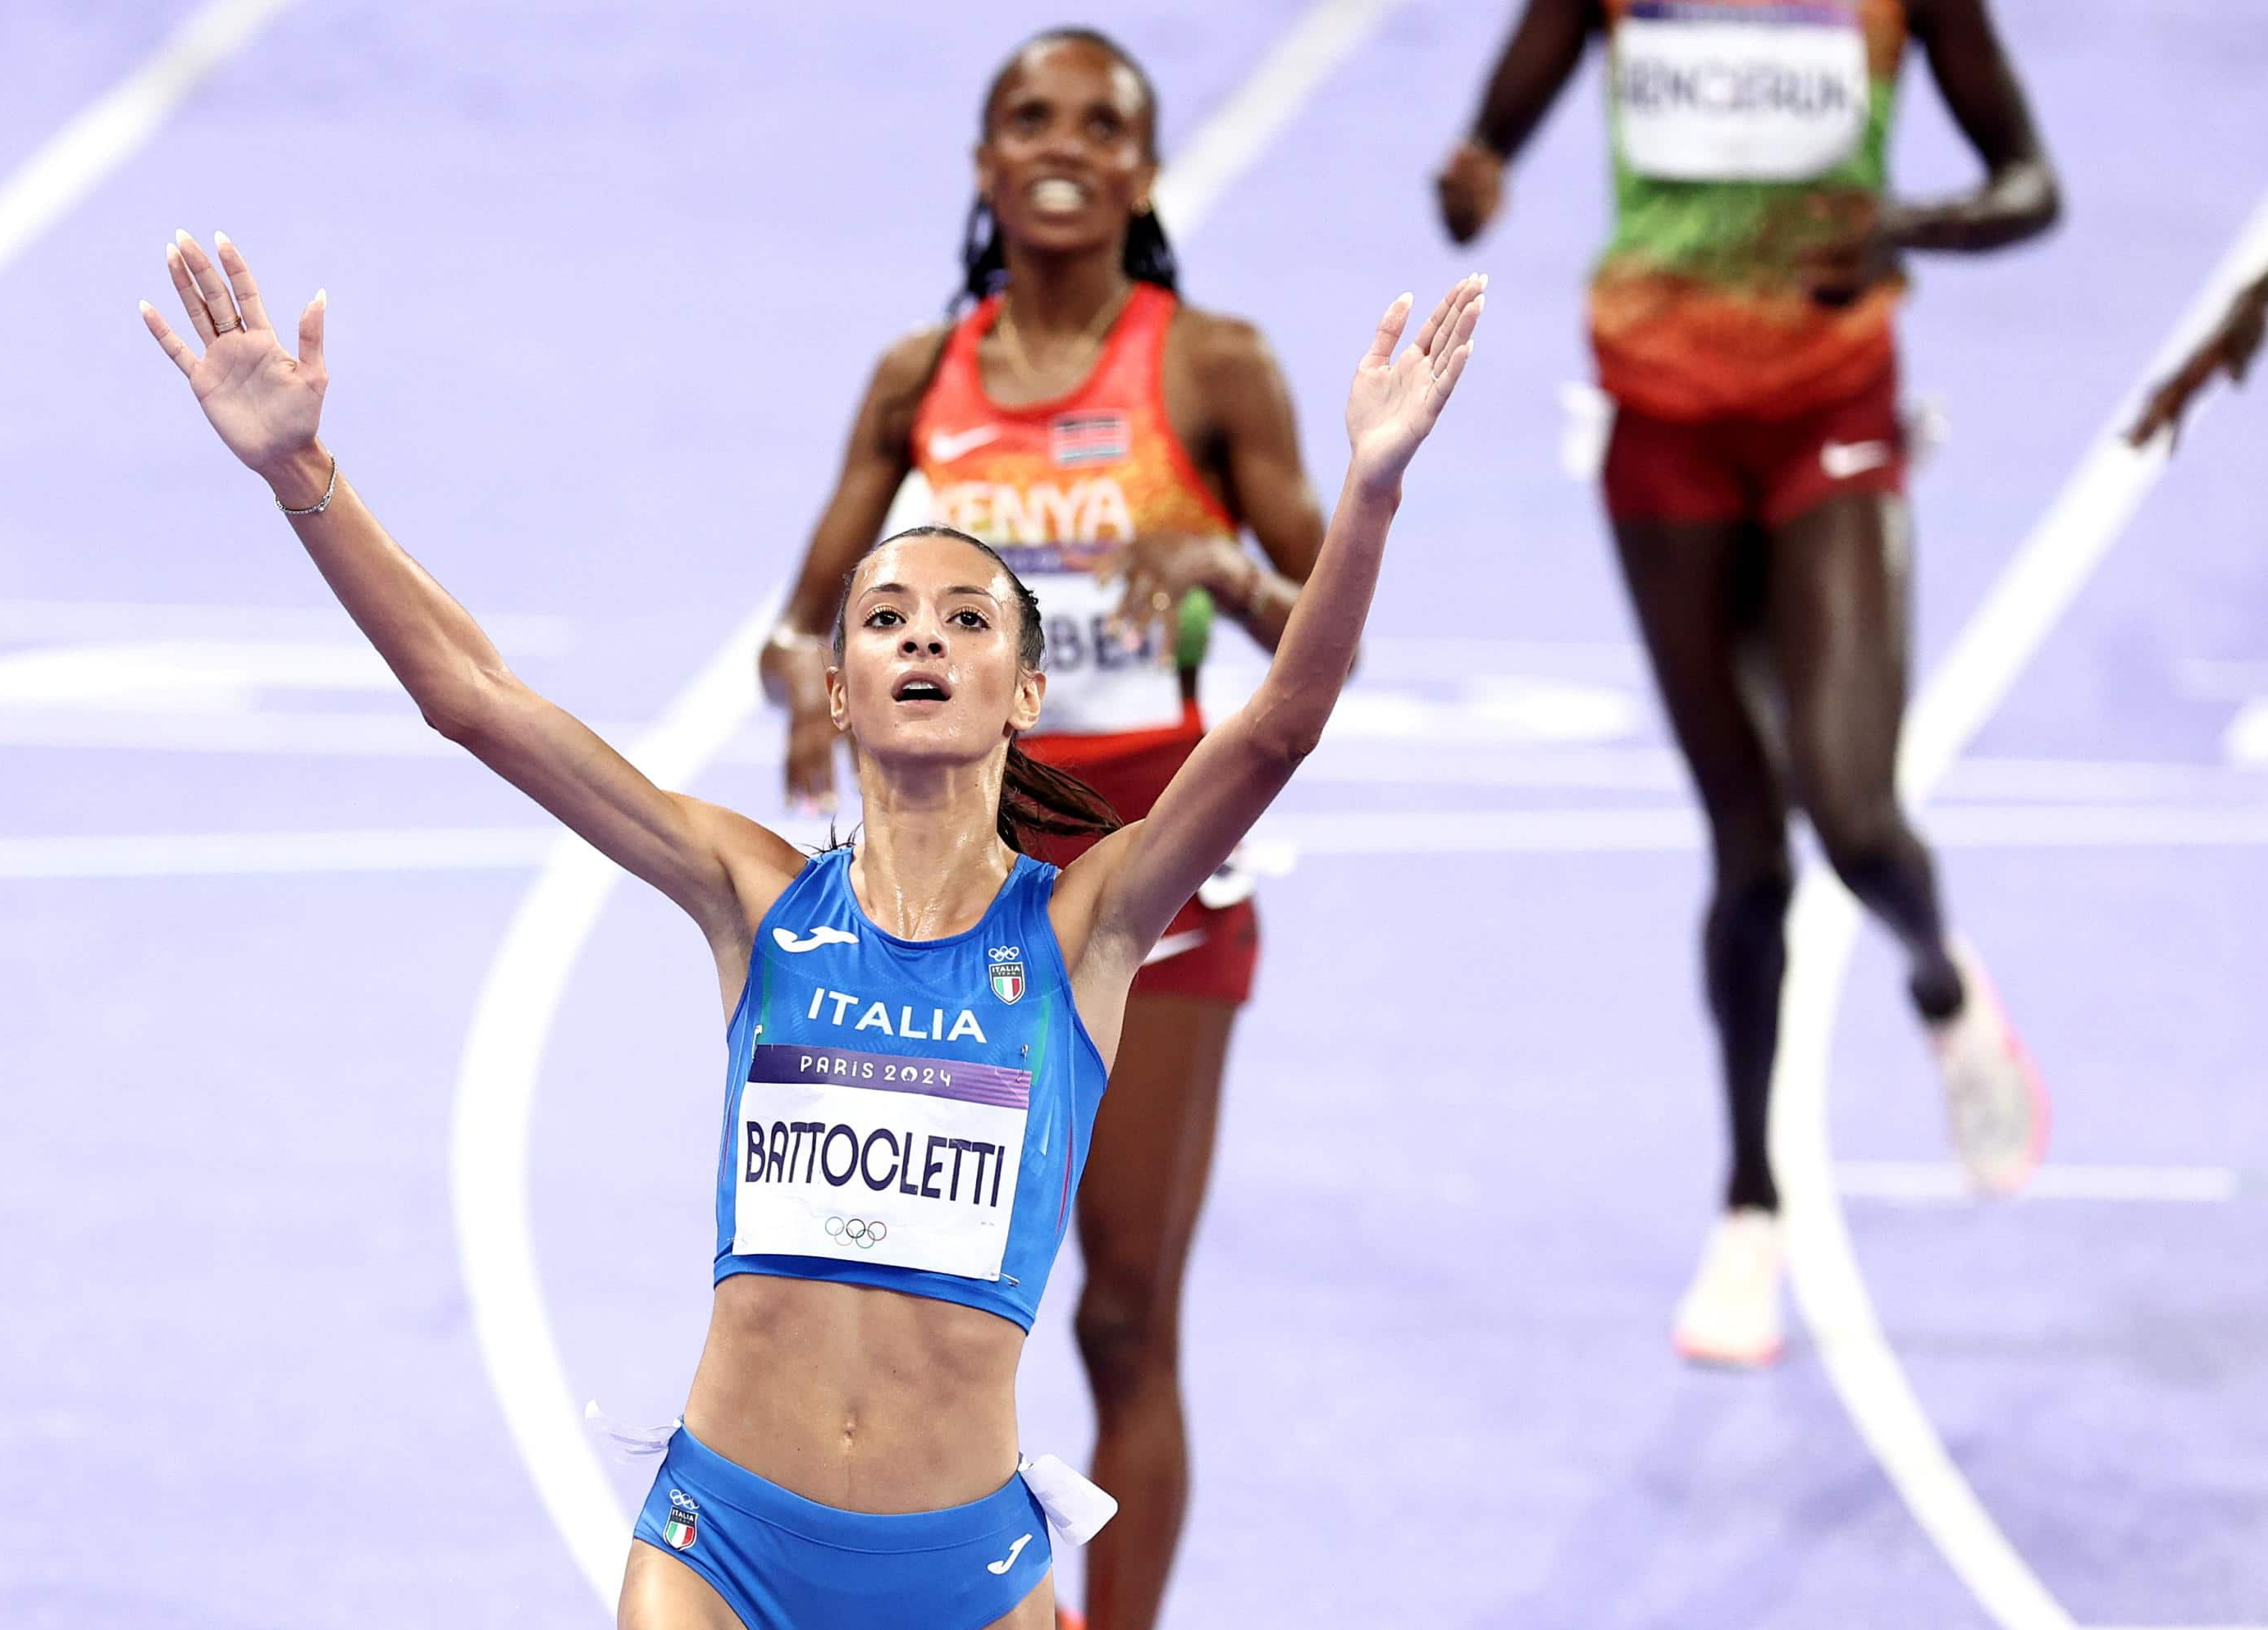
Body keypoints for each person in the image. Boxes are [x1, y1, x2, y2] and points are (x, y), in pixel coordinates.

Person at [140, 226, 1482, 1630]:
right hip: (720, 1547)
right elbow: (473, 695)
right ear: (836, 690)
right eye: (885, 617)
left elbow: (1276, 729)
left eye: (967, 620)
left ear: (1024, 690)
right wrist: (308, 482)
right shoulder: (752, 894)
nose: (921, 639)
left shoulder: (1087, 929)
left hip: (961, 1576)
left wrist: (1370, 496)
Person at [756, 30, 1327, 1628]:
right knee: (915, 1310)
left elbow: (1324, 623)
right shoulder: (913, 385)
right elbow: (797, 623)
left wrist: (1220, 565)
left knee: (1125, 1318)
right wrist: (808, 689)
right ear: (985, 165)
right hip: (954, 893)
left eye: (1102, 124)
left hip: (1154, 879)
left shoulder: (1208, 367)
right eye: (1030, 119)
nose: (1064, 145)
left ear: (1144, 174)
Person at [1434, 0, 2057, 1367]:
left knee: (1849, 811)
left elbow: (2031, 186)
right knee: (1743, 844)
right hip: (1656, 422)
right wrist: (1470, 177)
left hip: (1829, 406)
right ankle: (1747, 1209)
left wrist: (1908, 228)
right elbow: (1484, 147)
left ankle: (1941, 984)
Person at [2129, 265, 2268, 451]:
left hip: (2225, 344)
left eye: (2146, 431)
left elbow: (2174, 398)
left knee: (2251, 302)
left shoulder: (2163, 402)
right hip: (2226, 346)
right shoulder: (2167, 405)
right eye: (2147, 433)